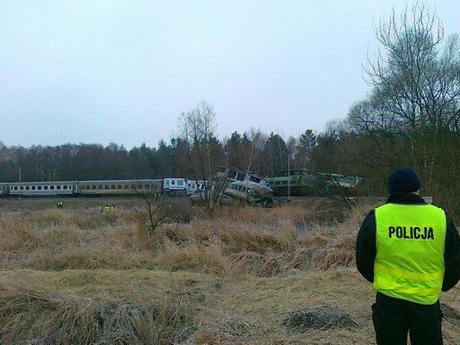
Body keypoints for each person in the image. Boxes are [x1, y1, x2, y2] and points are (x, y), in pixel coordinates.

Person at [356, 168, 459, 345]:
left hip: (389, 301)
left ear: (391, 190)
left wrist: (380, 279)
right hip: (427, 302)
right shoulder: (440, 217)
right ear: (418, 189)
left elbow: (363, 259)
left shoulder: (377, 217)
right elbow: (456, 259)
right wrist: (443, 285)